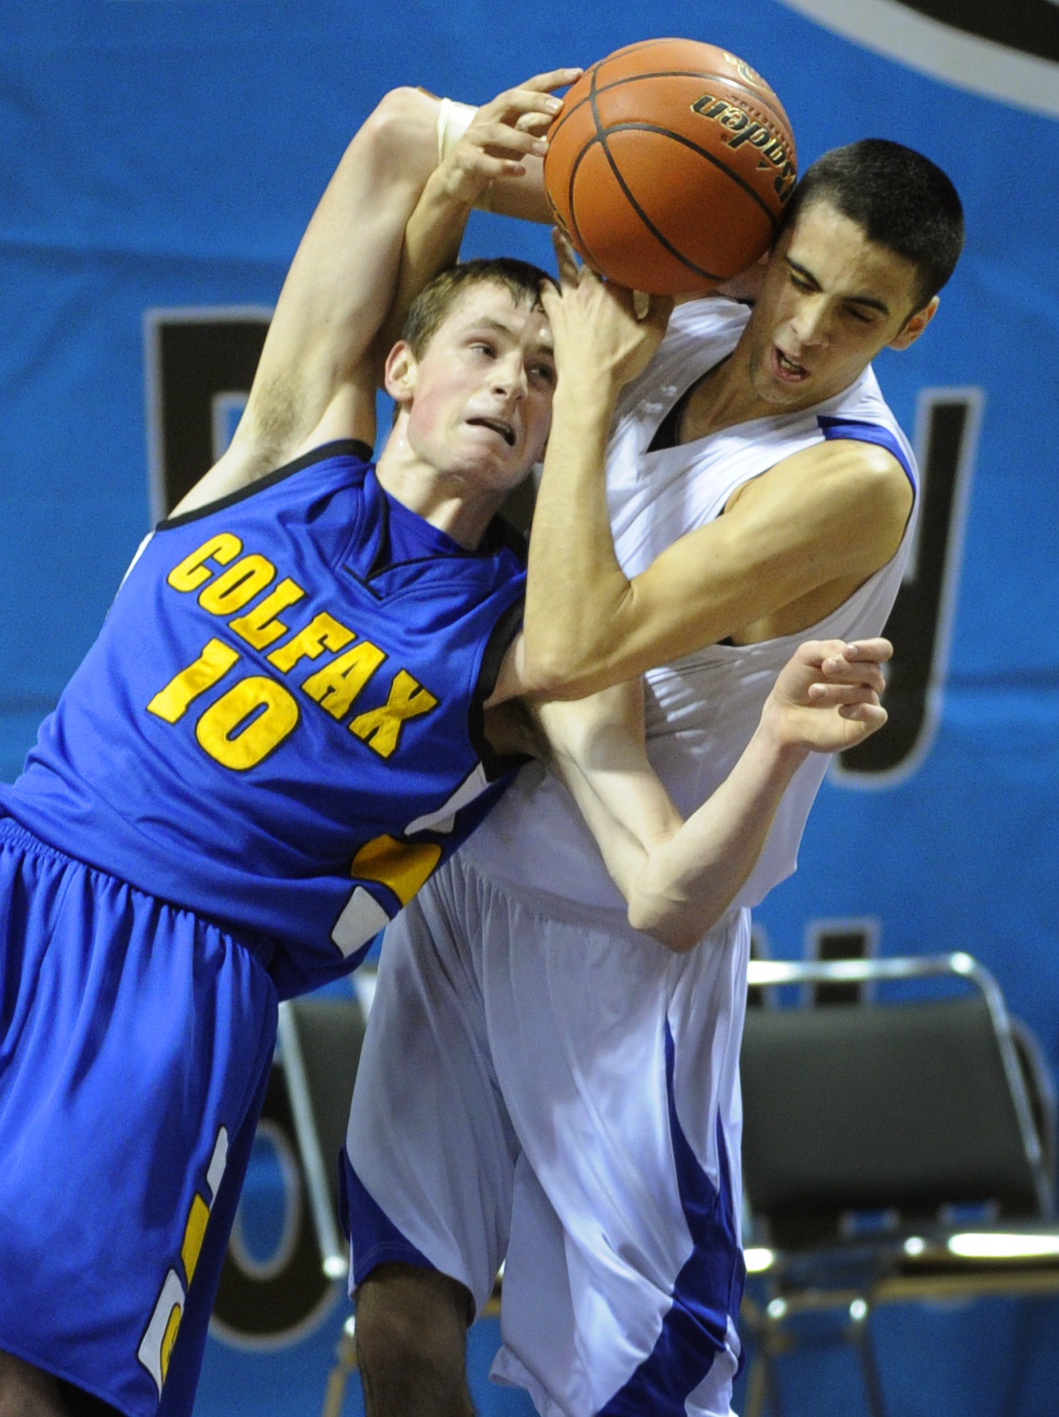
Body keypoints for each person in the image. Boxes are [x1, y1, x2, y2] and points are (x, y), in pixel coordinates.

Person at [0, 72, 888, 1417]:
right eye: (483, 348)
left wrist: (774, 744)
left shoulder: (525, 654)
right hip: (21, 864)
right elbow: (398, 132)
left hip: (167, 979)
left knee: (34, 1382)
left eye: (545, 373)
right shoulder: (284, 449)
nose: (511, 382)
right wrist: (480, 165)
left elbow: (668, 892)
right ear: (401, 369)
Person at [343, 114, 965, 1416]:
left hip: (623, 953)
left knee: (637, 1395)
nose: (804, 329)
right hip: (467, 878)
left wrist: (585, 401)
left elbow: (578, 645)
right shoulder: (700, 302)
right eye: (798, 277)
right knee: (398, 1331)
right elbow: (544, 198)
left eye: (859, 313)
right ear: (766, 246)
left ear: (912, 328)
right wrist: (473, 161)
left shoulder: (852, 484)